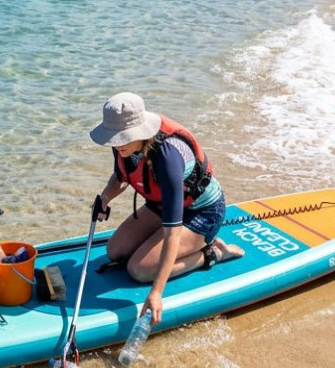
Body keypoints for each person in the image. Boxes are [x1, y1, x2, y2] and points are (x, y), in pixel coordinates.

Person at [89, 93, 243, 325]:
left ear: (139, 131)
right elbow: (122, 176)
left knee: (139, 270)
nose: (116, 143)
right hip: (161, 204)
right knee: (115, 251)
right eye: (113, 137)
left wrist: (156, 293)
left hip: (201, 213)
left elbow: (172, 231)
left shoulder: (167, 156)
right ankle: (170, 245)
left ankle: (212, 253)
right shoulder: (123, 145)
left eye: (121, 138)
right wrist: (105, 198)